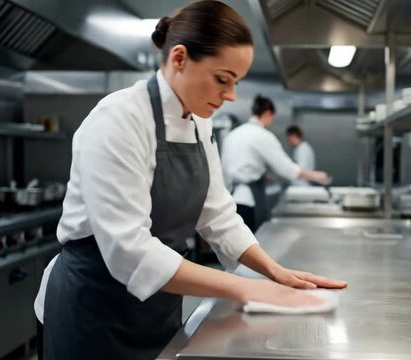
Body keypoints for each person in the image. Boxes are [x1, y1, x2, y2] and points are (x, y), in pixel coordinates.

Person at [33, 2, 346, 359]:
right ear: (179, 58)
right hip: (92, 307)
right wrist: (243, 288)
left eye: (236, 83)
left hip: (155, 310)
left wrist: (274, 271)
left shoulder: (198, 123)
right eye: (222, 79)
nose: (231, 96)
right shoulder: (118, 119)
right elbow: (128, 251)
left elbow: (218, 216)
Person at [221, 95, 329, 232]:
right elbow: (287, 169)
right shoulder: (262, 135)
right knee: (249, 247)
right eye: (272, 117)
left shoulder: (232, 135)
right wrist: (316, 176)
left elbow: (228, 169)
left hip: (230, 201)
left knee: (232, 248)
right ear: (267, 113)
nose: (271, 122)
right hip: (248, 202)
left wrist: (259, 175)